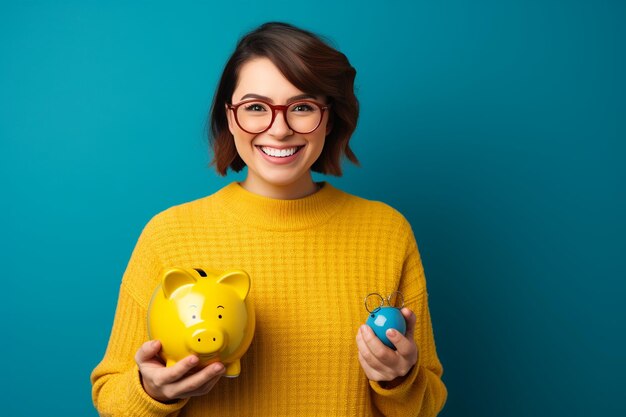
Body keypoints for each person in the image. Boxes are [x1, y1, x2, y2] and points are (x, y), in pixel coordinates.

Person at [91, 21, 447, 416]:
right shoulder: (168, 235)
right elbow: (111, 398)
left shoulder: (387, 232)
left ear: (329, 119)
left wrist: (399, 379)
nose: (279, 130)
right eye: (256, 108)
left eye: (302, 107)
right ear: (229, 116)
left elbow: (428, 402)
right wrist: (153, 392)